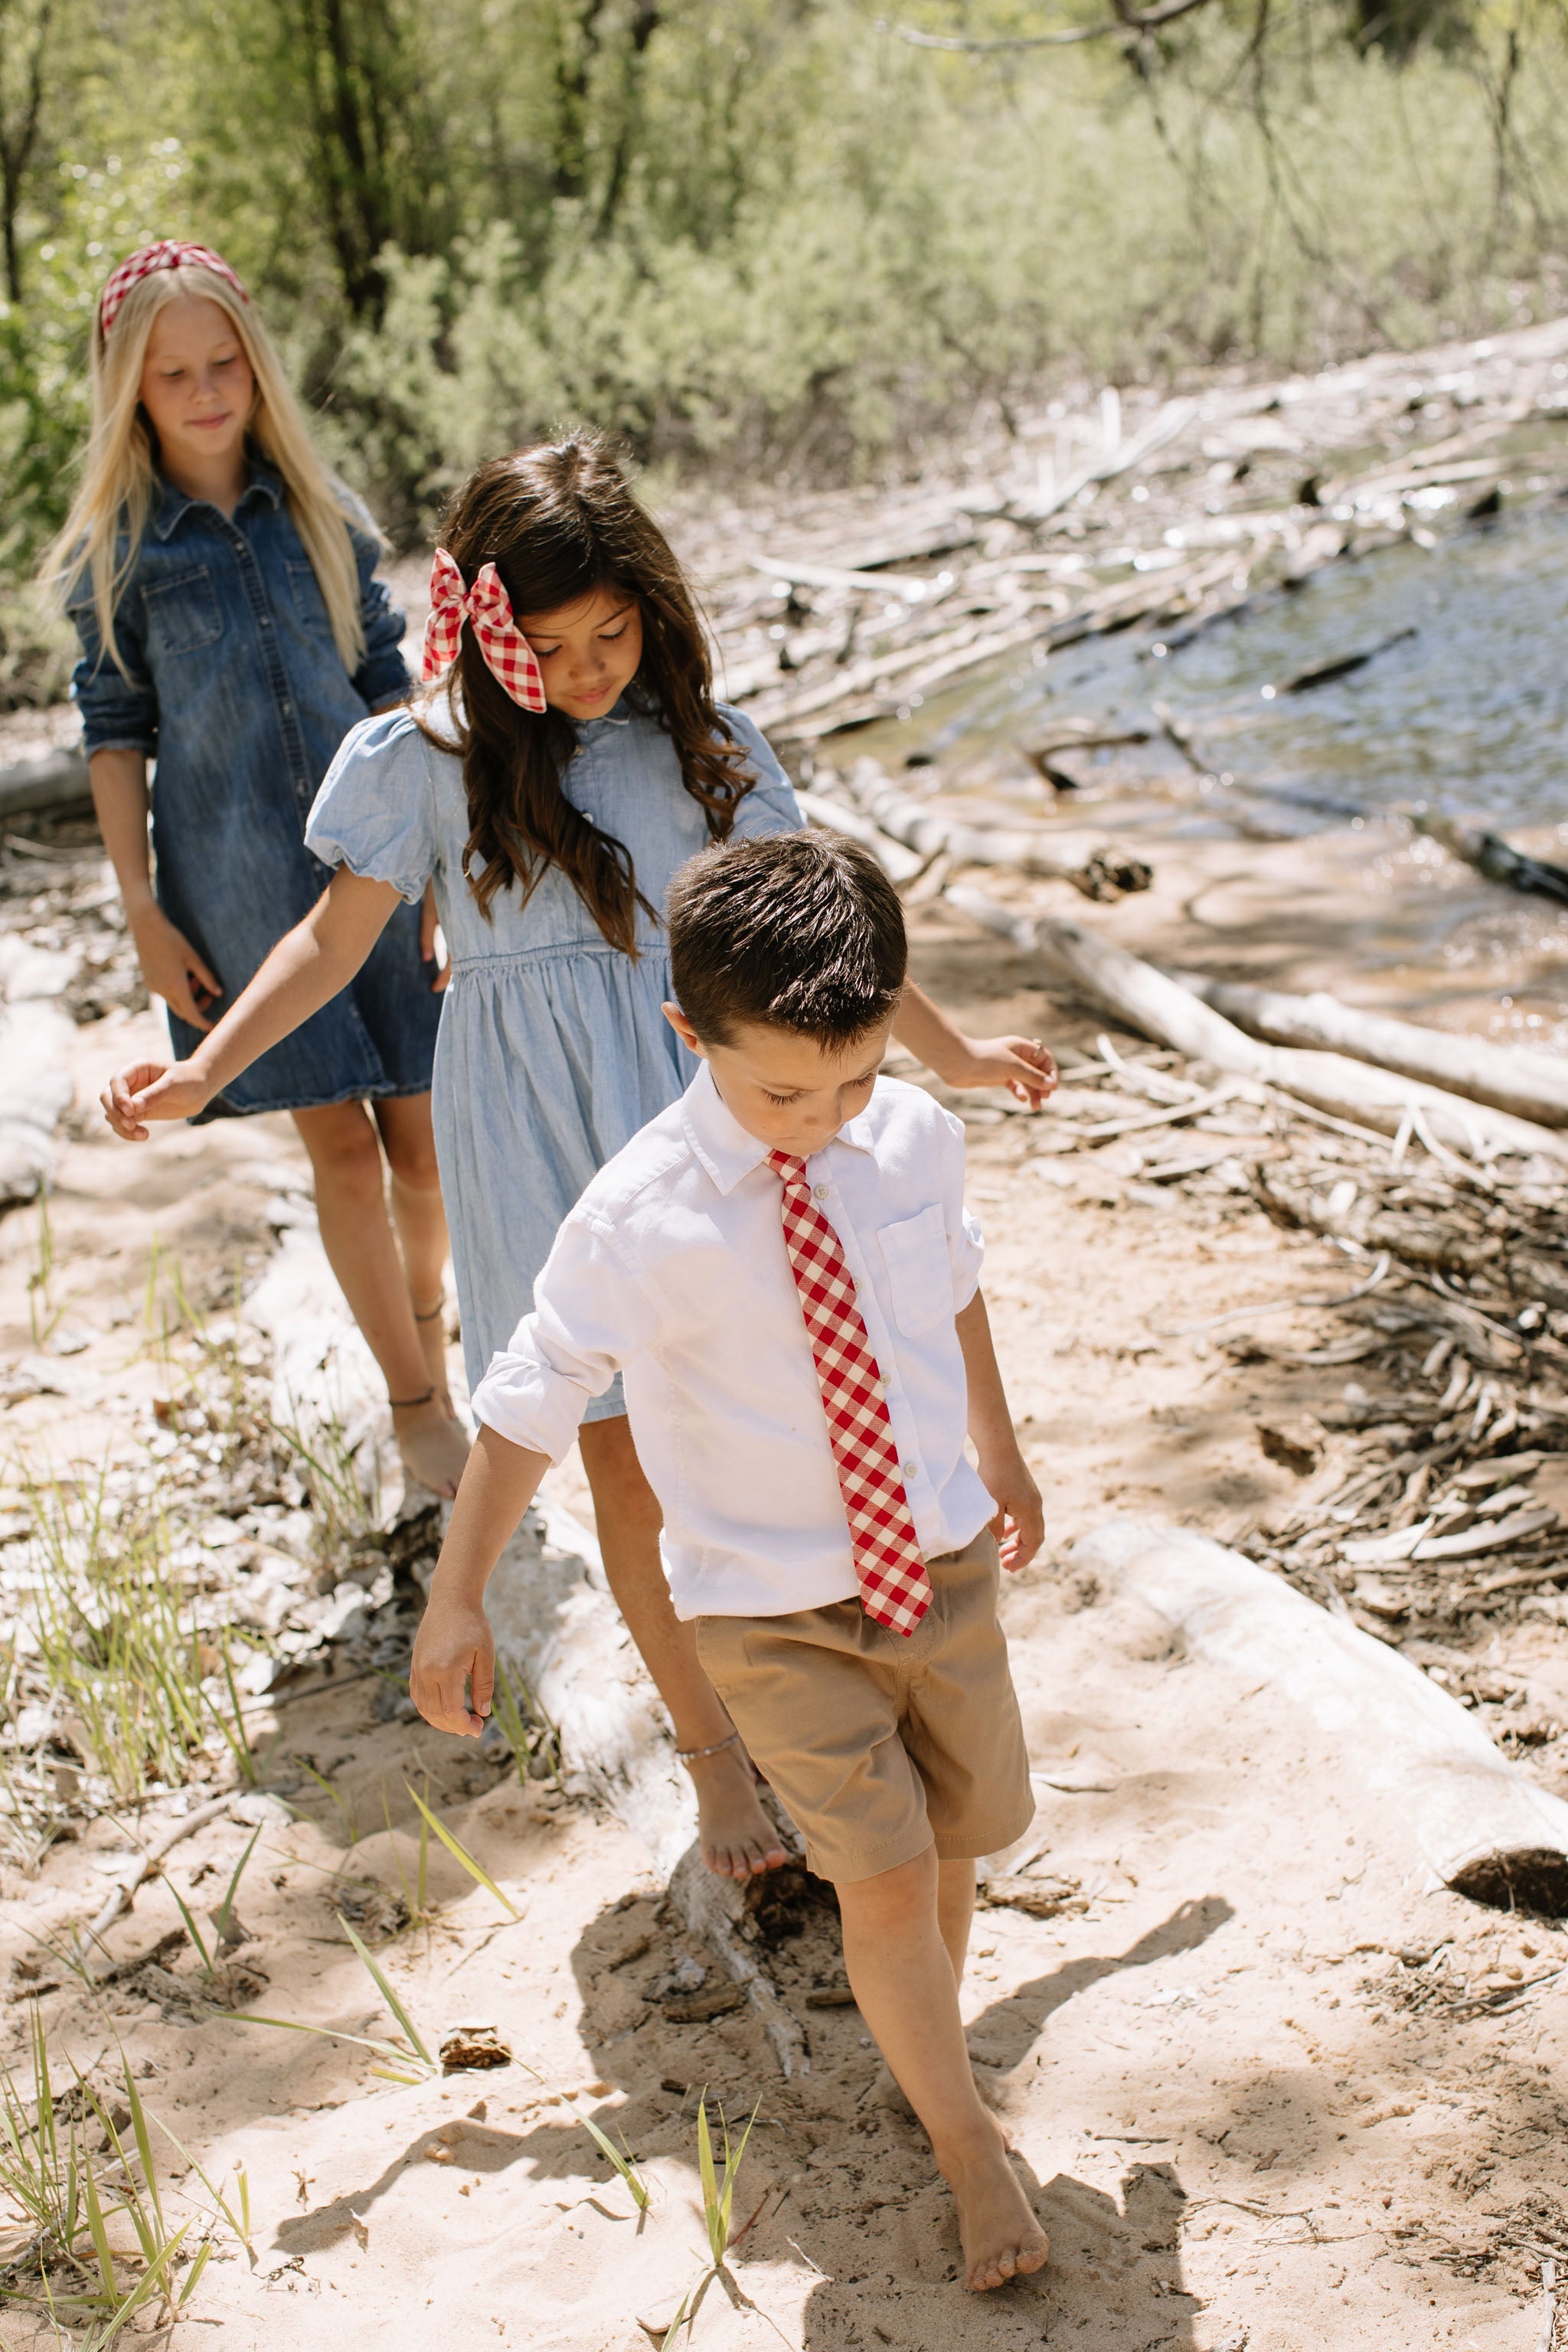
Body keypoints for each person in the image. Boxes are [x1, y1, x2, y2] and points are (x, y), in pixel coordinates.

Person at [100, 432, 1057, 1883]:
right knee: (618, 1460)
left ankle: (835, 1698)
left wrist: (959, 1052)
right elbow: (328, 944)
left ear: (651, 609)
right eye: (550, 647)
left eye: (613, 633)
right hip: (535, 1137)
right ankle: (714, 1759)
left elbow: (818, 939)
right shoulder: (433, 761)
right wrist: (203, 1069)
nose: (590, 669)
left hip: (706, 1114)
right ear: (490, 633)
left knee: (776, 1415)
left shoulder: (705, 750)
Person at [409, 830, 1050, 2292]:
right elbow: (528, 1396)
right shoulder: (642, 1215)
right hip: (773, 1613)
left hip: (941, 1563)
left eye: (855, 1081)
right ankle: (968, 2147)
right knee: (884, 1875)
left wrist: (1001, 1453)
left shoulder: (915, 1139)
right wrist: (458, 1595)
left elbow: (954, 1289)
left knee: (955, 1845)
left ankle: (928, 2051)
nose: (822, 1122)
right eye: (781, 1094)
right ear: (687, 1033)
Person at [49, 239, 466, 1499]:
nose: (204, 390)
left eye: (223, 362)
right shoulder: (119, 554)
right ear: (132, 389)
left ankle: (430, 1319)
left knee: (424, 1148)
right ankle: (413, 1402)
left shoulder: (321, 514)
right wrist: (139, 907)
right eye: (171, 372)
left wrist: (442, 862)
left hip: (377, 863)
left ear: (257, 365)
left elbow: (390, 685)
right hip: (233, 883)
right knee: (340, 1148)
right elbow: (114, 734)